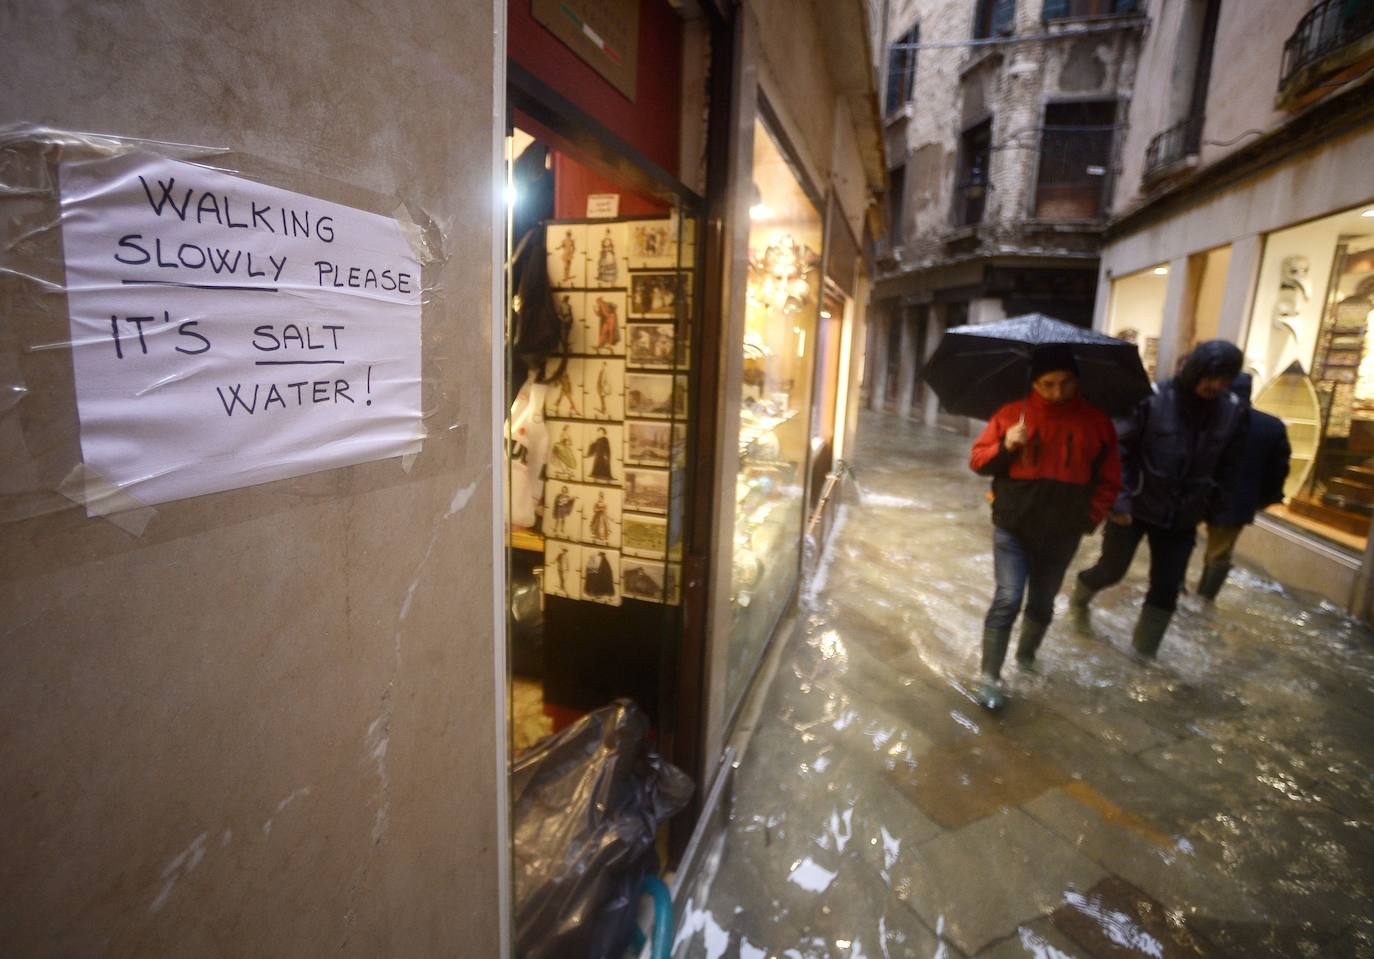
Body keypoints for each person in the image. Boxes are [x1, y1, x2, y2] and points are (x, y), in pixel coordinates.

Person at [968, 344, 1122, 710]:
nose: (1057, 392)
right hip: (1013, 527)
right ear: (1034, 383)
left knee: (1042, 603)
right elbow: (977, 461)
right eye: (1048, 384)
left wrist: (1089, 519)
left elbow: (1110, 479)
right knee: (1008, 597)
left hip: (1063, 532)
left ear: (1077, 381)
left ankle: (1026, 659)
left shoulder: (1097, 423)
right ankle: (990, 676)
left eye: (1066, 383)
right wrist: (1006, 446)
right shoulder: (1010, 415)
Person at [1072, 340, 1247, 656]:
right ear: (1195, 371)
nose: (1216, 385)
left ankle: (1143, 656)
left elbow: (1231, 465)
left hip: (1183, 516)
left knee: (1167, 588)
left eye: (1225, 379)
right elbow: (1118, 452)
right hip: (1135, 508)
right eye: (1211, 377)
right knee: (1112, 571)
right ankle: (1079, 596)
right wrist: (1119, 500)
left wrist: (1220, 509)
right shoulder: (1151, 401)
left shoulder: (1231, 411)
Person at [1197, 373, 1291, 600]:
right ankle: (1203, 600)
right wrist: (1265, 499)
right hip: (1236, 500)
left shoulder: (1206, 417)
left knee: (1178, 543)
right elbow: (1278, 470)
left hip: (1196, 494)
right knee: (1218, 554)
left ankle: (1175, 589)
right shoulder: (1270, 426)